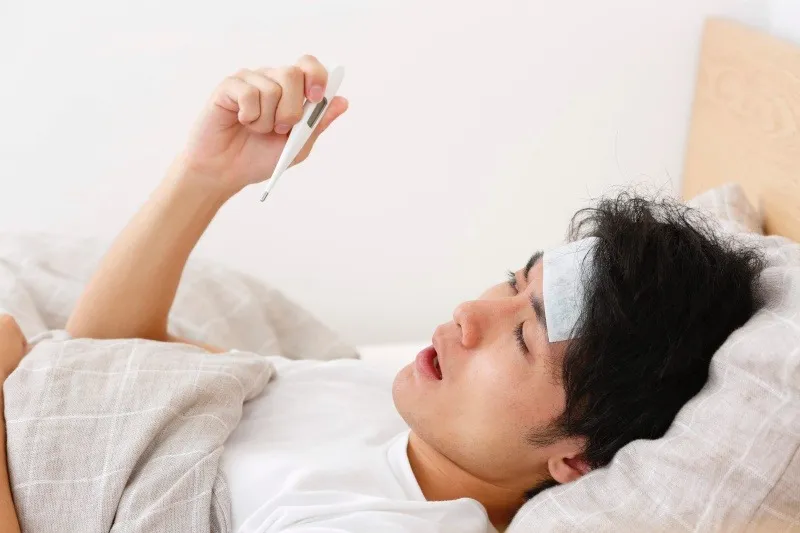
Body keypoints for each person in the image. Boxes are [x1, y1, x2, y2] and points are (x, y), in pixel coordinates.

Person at [0, 55, 764, 532]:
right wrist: (204, 177)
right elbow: (110, 369)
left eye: (523, 336)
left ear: (577, 460)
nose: (469, 314)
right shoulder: (385, 400)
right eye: (511, 281)